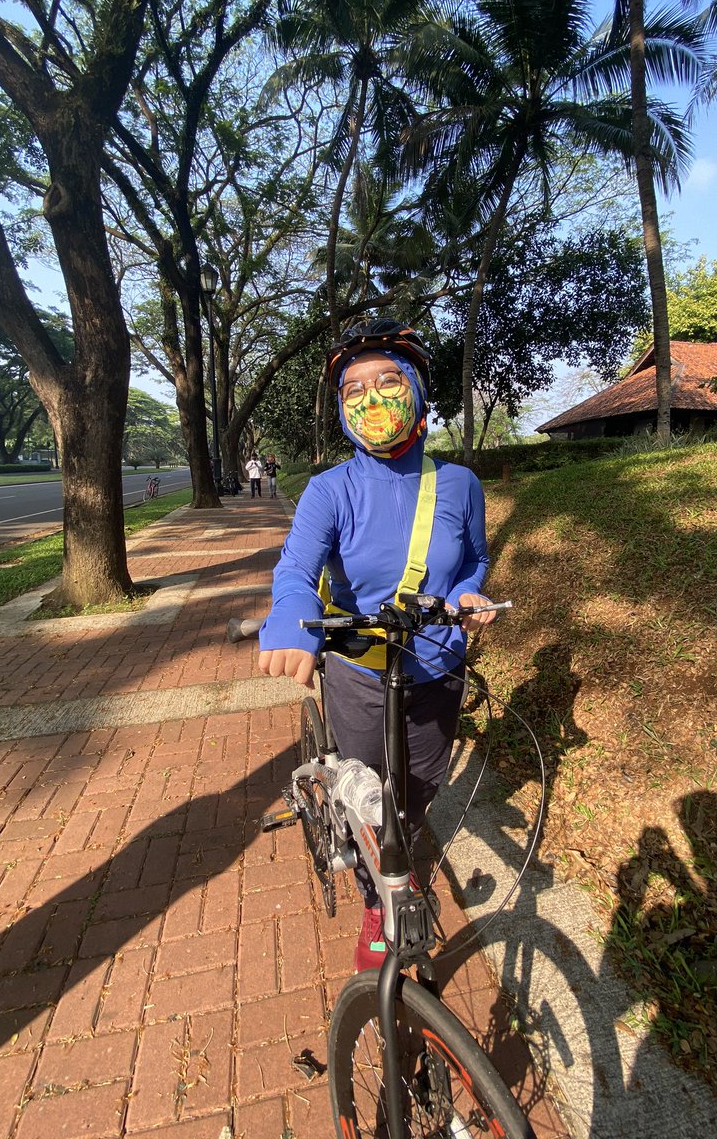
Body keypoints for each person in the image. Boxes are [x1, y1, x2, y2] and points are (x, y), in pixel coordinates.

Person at [258, 318, 496, 972]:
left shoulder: (460, 485)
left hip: (437, 662)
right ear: (340, 408)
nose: (372, 398)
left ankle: (401, 859)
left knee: (416, 795)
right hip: (358, 669)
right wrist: (288, 619)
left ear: (418, 392)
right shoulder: (328, 490)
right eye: (353, 388)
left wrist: (471, 593)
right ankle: (375, 898)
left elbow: (474, 561)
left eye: (388, 381)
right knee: (367, 799)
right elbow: (296, 571)